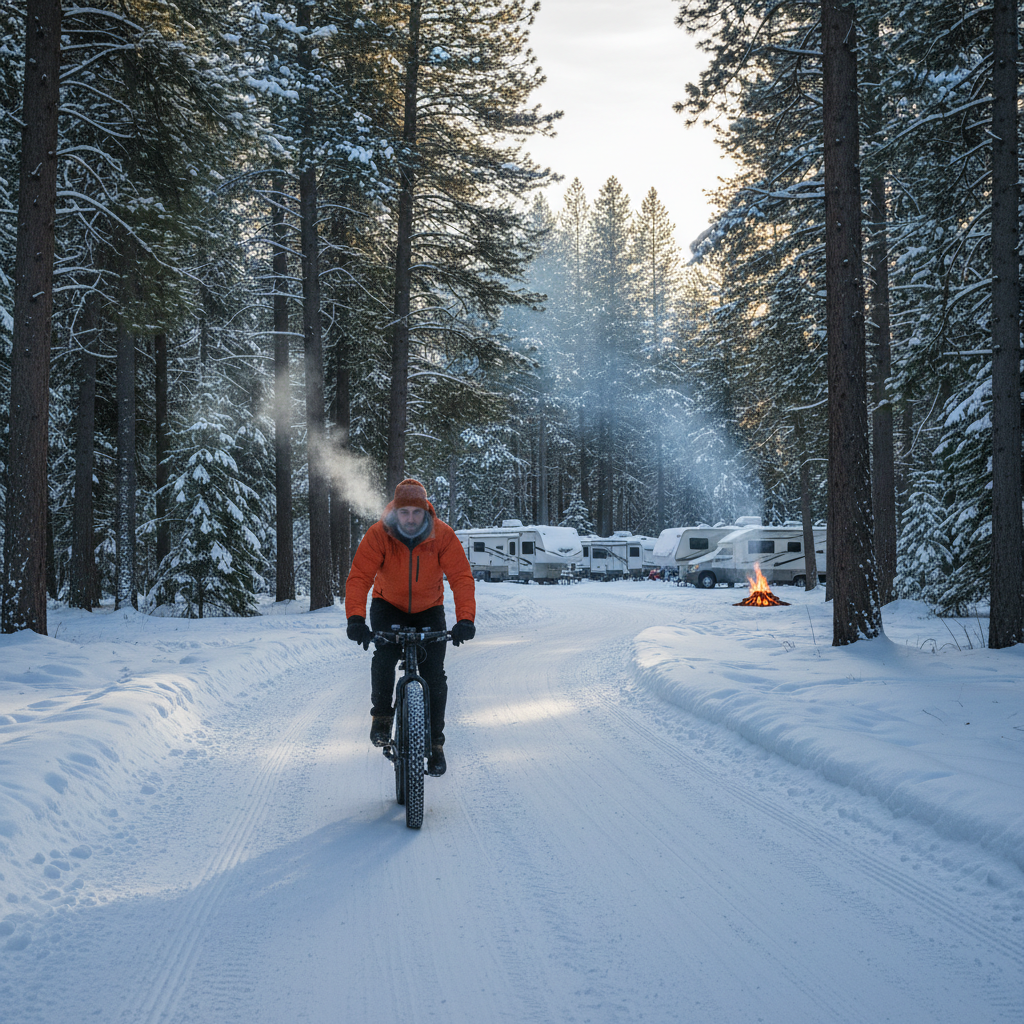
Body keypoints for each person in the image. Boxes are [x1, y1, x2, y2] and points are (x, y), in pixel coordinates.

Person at [345, 478, 476, 776]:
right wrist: (355, 619)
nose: (411, 518)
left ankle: (435, 744)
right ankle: (381, 717)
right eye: (404, 512)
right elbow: (360, 577)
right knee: (384, 657)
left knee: (435, 676)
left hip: (429, 609)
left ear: (425, 510)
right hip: (387, 605)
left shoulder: (442, 535)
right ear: (395, 510)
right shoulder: (379, 534)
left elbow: (461, 578)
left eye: (416, 512)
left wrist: (465, 619)